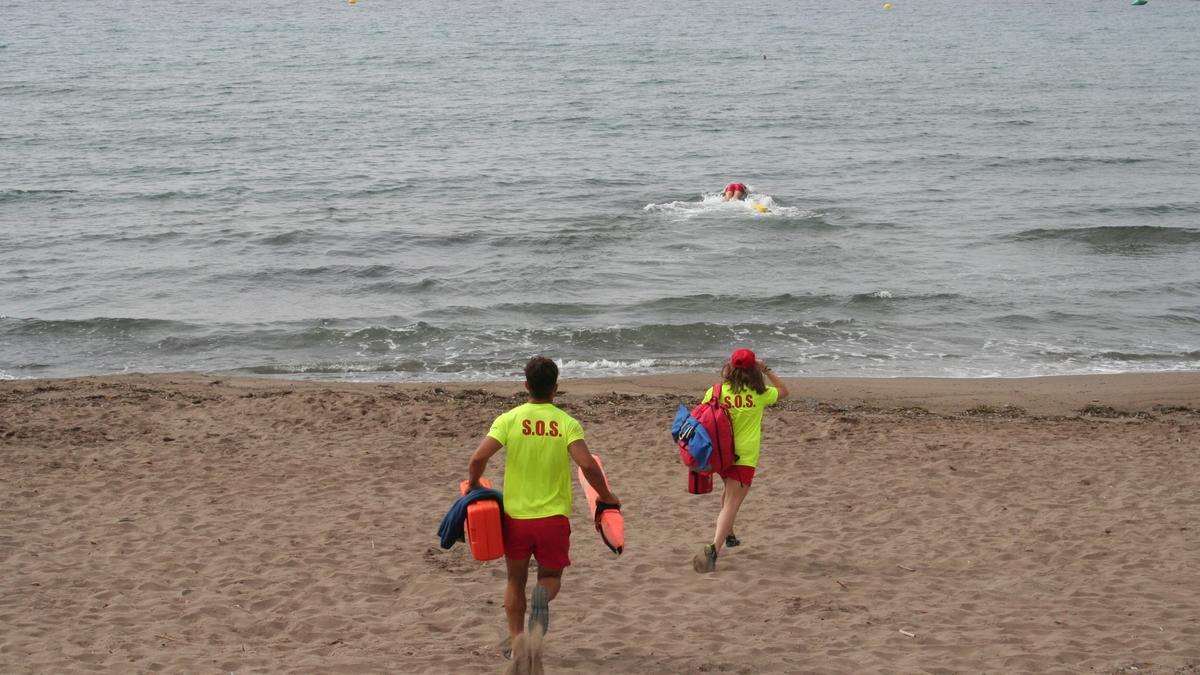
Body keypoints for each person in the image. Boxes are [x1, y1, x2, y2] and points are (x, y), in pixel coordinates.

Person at [467, 356, 620, 671]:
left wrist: (472, 485)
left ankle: (516, 642)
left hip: (516, 519)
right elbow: (588, 465)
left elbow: (477, 458)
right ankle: (542, 596)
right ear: (556, 388)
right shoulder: (565, 422)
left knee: (514, 579)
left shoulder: (509, 419)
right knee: (550, 578)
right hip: (553, 519)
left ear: (526, 386)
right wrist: (606, 496)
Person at [693, 348, 789, 573]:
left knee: (728, 494)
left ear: (731, 367)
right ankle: (713, 548)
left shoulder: (716, 391)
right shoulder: (760, 393)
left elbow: (700, 416)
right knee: (732, 503)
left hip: (720, 452)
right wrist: (767, 370)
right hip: (744, 456)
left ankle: (731, 535)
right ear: (754, 368)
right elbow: (785, 391)